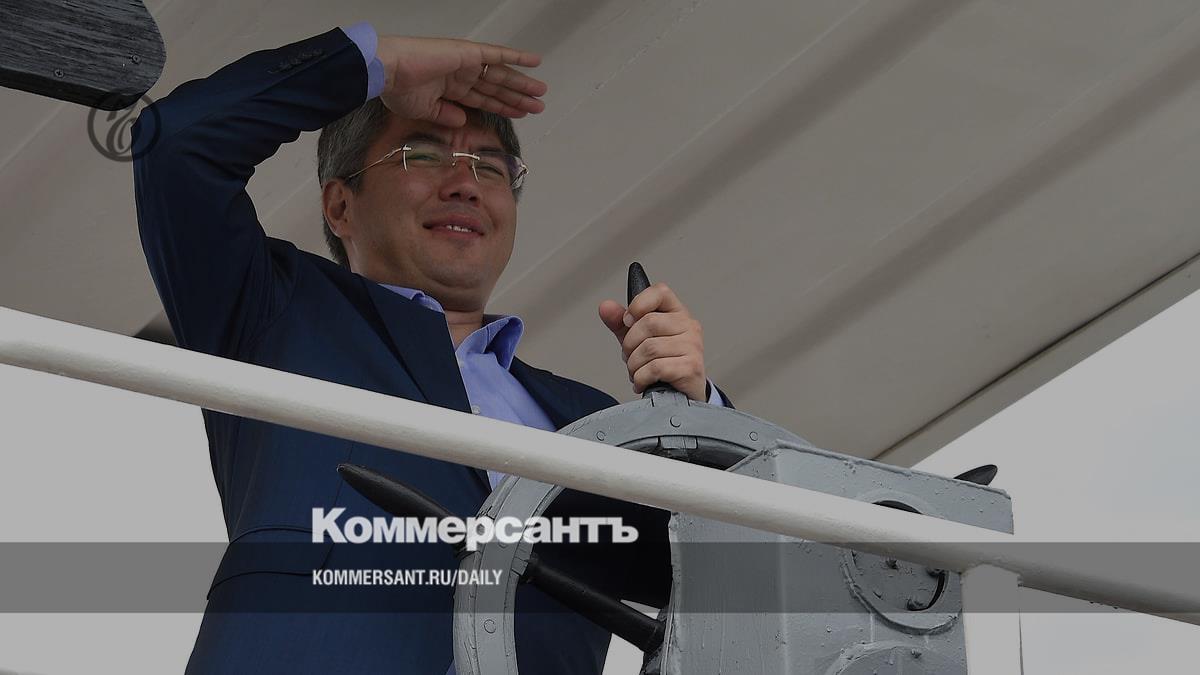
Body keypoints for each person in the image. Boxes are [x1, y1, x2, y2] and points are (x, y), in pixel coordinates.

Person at [131, 21, 728, 675]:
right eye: (422, 155)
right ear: (339, 206)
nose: (465, 184)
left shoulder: (592, 421)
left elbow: (735, 577)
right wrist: (372, 64)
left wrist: (698, 412)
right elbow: (177, 141)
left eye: (490, 167)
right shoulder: (277, 310)